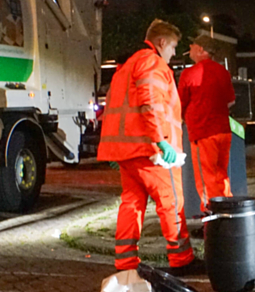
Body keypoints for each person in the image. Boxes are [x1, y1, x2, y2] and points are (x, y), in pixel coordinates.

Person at [97, 19, 202, 276]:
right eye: (174, 47)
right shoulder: (152, 63)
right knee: (171, 202)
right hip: (152, 152)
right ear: (162, 42)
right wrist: (161, 142)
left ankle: (125, 262)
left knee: (131, 204)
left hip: (128, 153)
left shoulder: (125, 67)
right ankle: (182, 259)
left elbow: (112, 108)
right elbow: (151, 104)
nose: (174, 54)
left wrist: (116, 150)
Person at [178, 35, 236, 210]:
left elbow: (179, 104)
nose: (190, 46)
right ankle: (228, 209)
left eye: (193, 45)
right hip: (223, 131)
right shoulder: (222, 71)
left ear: (201, 50)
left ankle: (212, 215)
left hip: (202, 133)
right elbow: (230, 101)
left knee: (206, 177)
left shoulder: (189, 74)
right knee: (221, 175)